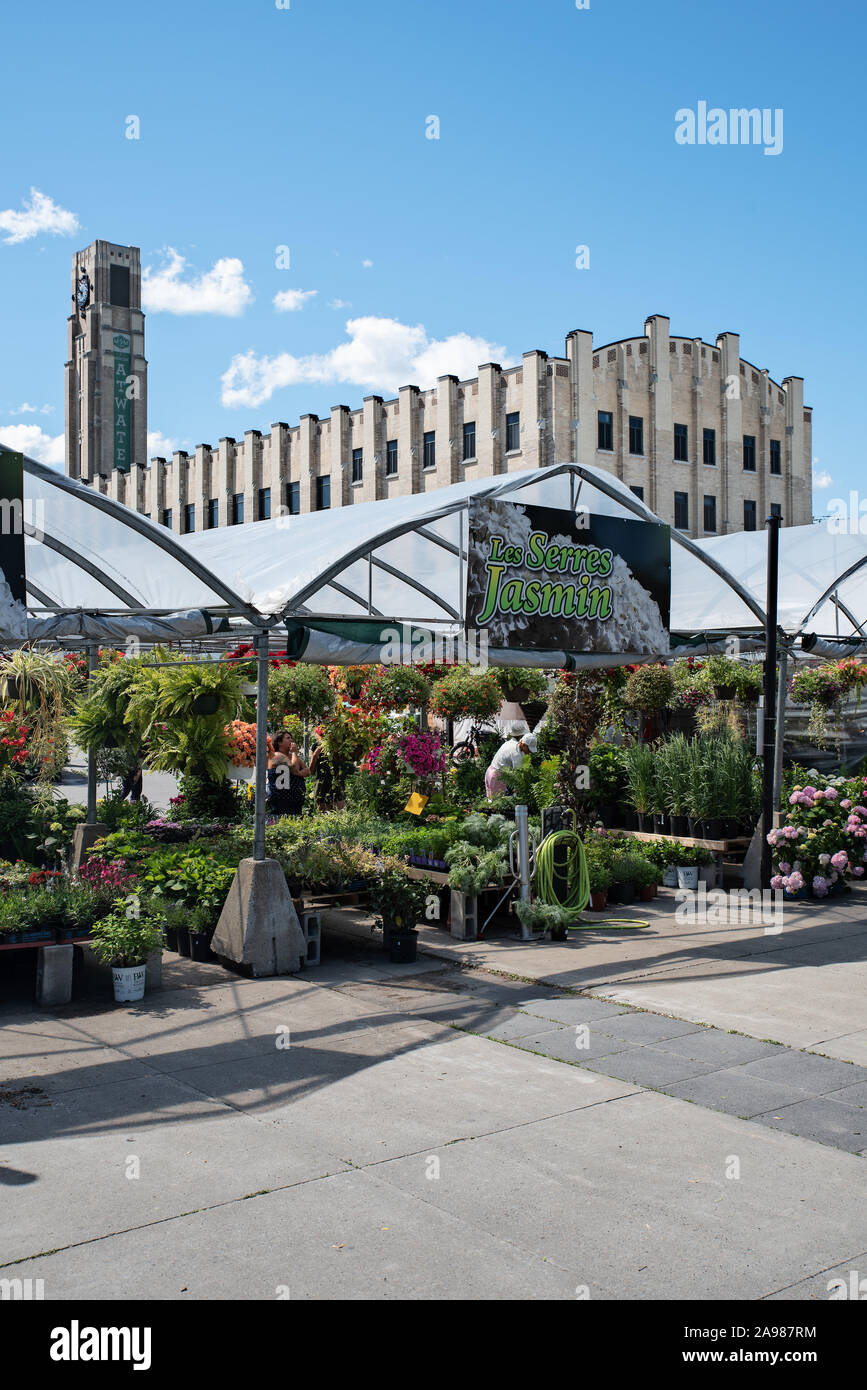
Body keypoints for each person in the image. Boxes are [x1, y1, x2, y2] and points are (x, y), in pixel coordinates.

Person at [267, 730, 320, 818]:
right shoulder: (277, 756)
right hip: (281, 800)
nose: (291, 740)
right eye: (288, 738)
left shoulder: (293, 757)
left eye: (291, 738)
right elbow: (295, 769)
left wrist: (298, 772)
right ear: (279, 742)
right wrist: (294, 753)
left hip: (295, 801)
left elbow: (308, 771)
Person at [484, 729, 537, 800]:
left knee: (491, 802)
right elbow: (518, 777)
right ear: (524, 745)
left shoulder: (512, 743)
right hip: (497, 777)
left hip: (490, 771)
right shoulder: (516, 753)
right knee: (496, 803)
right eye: (529, 749)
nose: (530, 752)